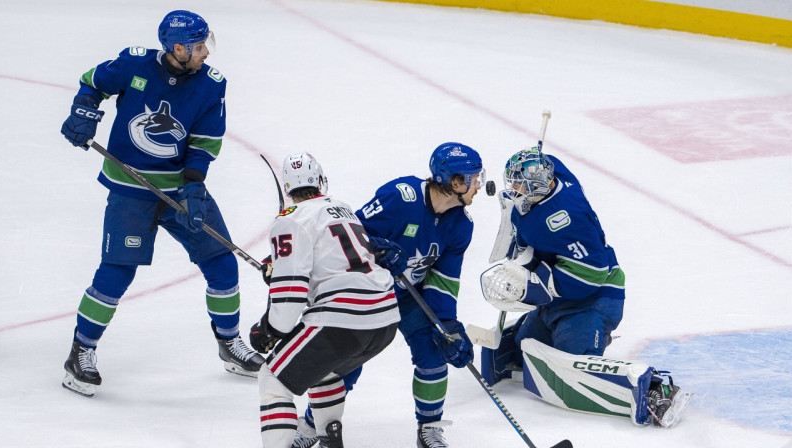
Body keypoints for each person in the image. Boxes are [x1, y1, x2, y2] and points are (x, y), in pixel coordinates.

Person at [59, 10, 262, 397]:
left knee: (220, 259)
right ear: (178, 48)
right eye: (199, 46)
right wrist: (84, 112)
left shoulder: (211, 84)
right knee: (117, 272)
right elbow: (92, 82)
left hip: (179, 191)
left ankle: (230, 343)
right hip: (130, 190)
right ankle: (80, 352)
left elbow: (205, 140)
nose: (206, 53)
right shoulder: (134, 63)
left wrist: (195, 184)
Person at [290, 142, 485, 448]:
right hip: (369, 293)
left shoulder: (462, 225)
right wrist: (377, 248)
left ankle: (429, 429)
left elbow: (444, 278)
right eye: (472, 178)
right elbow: (352, 232)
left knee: (434, 353)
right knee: (346, 365)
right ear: (452, 181)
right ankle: (313, 425)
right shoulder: (400, 196)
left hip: (410, 296)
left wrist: (448, 325)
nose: (479, 184)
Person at [478, 146, 691, 427]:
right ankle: (575, 331)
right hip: (559, 300)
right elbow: (551, 162)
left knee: (573, 365)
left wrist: (534, 285)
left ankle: (653, 390)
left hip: (592, 298)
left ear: (537, 186)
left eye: (518, 183)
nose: (512, 189)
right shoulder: (554, 177)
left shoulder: (565, 219)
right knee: (524, 348)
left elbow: (591, 273)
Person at [250, 152, 400, 448]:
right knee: (324, 370)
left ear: (287, 188)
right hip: (384, 317)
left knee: (272, 380)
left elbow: (290, 294)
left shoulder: (290, 220)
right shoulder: (342, 208)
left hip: (342, 320)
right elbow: (332, 263)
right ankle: (331, 442)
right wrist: (281, 266)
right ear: (320, 181)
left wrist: (269, 329)